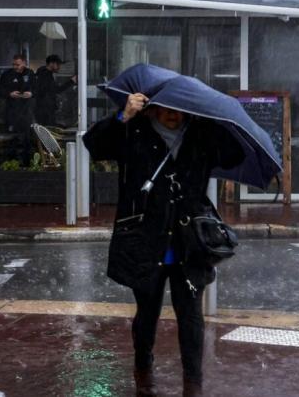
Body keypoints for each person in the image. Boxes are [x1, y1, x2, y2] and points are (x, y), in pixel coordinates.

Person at [83, 93, 244, 396]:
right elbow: (95, 145)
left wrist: (214, 122)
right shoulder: (134, 132)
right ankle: (143, 368)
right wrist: (123, 116)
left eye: (180, 108)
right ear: (153, 108)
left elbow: (233, 155)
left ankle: (193, 384)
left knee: (191, 315)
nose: (173, 114)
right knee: (147, 311)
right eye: (167, 108)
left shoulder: (200, 134)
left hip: (190, 242)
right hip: (147, 238)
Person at [0, 54, 35, 165]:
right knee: (11, 140)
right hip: (11, 113)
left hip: (26, 113)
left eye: (18, 64)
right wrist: (9, 94)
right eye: (14, 64)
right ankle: (11, 164)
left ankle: (27, 164)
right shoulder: (7, 75)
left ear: (24, 63)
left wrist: (31, 94)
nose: (15, 67)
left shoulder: (30, 74)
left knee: (26, 140)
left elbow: (38, 90)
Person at [34, 54, 76, 126]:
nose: (59, 67)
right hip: (45, 111)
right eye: (58, 64)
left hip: (45, 110)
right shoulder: (45, 75)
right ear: (51, 64)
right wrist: (71, 81)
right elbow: (55, 90)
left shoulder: (45, 74)